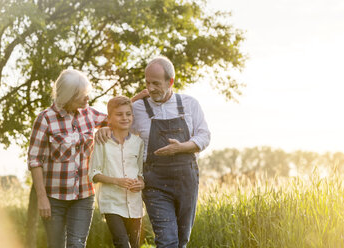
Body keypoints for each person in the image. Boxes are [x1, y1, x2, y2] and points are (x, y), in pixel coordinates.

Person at [96, 56, 211, 248]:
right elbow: (117, 117)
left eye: (156, 83)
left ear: (170, 81)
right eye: (147, 83)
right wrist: (107, 128)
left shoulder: (190, 104)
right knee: (167, 240)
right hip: (154, 183)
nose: (150, 88)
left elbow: (204, 135)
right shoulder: (138, 108)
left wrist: (182, 147)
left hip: (186, 181)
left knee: (182, 240)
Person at [28, 69, 107, 248]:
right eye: (82, 95)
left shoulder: (89, 114)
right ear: (68, 96)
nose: (88, 98)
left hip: (84, 195)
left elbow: (120, 117)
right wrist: (42, 198)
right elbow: (34, 161)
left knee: (77, 245)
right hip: (54, 198)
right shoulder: (45, 119)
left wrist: (104, 128)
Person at [88, 96, 145, 248]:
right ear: (109, 119)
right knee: (122, 243)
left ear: (133, 116)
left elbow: (141, 173)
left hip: (134, 203)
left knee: (135, 245)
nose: (125, 118)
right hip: (111, 203)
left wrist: (141, 184)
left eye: (128, 114)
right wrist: (117, 181)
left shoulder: (138, 143)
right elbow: (93, 174)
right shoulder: (102, 142)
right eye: (119, 114)